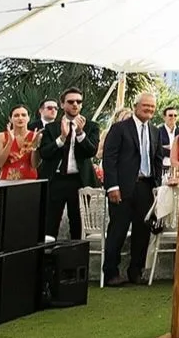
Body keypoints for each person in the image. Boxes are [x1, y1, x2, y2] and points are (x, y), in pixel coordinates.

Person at [101, 92, 165, 286]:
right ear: (136, 106)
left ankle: (136, 271)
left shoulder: (155, 131)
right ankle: (111, 272)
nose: (149, 110)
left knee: (142, 231)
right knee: (118, 230)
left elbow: (158, 159)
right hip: (122, 187)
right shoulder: (120, 128)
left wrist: (157, 184)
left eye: (152, 107)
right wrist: (112, 186)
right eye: (146, 106)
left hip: (146, 187)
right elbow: (109, 159)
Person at [37, 89, 94, 243]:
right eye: (70, 101)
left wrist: (81, 133)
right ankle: (47, 261)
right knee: (49, 225)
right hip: (55, 179)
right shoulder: (51, 128)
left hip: (79, 181)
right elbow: (44, 153)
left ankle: (75, 262)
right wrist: (61, 138)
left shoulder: (91, 126)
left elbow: (91, 151)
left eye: (78, 101)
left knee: (78, 225)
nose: (75, 104)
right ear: (62, 104)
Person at [0, 105, 39, 181]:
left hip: (29, 181)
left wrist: (35, 145)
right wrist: (10, 142)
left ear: (28, 118)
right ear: (10, 119)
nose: (20, 118)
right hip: (7, 181)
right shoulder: (1, 136)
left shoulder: (36, 136)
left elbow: (34, 165)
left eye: (23, 115)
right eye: (16, 115)